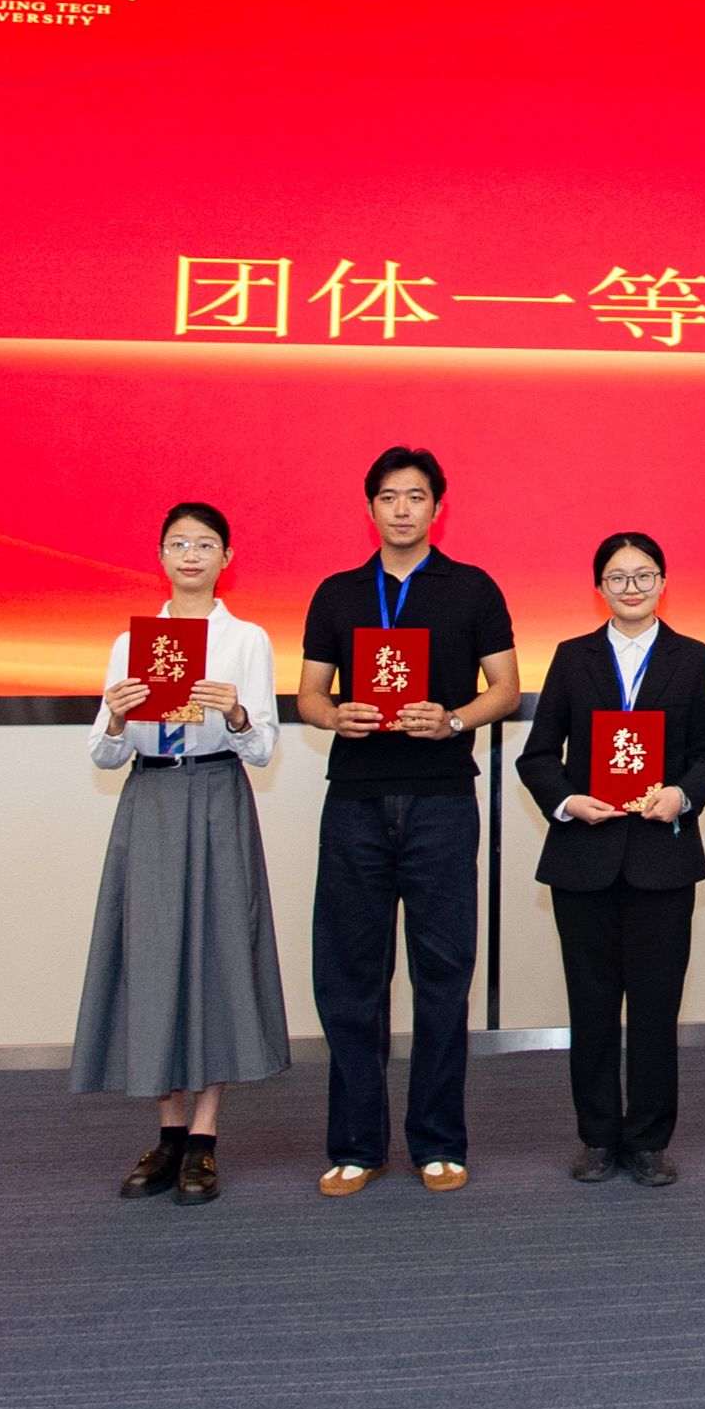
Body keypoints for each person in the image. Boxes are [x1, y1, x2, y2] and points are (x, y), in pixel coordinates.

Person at [296, 446, 520, 1195]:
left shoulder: (473, 588)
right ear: (370, 508)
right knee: (350, 977)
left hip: (442, 801)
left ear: (437, 508)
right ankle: (356, 1144)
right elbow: (309, 695)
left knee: (443, 975)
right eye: (389, 496)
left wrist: (452, 720)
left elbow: (506, 689)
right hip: (356, 801)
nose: (402, 509)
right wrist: (335, 715)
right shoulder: (337, 593)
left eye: (416, 496)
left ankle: (438, 1139)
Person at [74, 502, 291, 1206]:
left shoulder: (246, 640)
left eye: (204, 544)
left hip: (217, 794)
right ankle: (166, 1133)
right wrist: (116, 715)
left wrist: (235, 713)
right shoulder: (130, 642)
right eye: (177, 544)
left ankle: (204, 1135)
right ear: (161, 556)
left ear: (227, 557)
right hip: (151, 798)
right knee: (151, 956)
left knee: (218, 953)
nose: (190, 555)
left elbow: (263, 747)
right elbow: (104, 755)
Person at [513, 532, 705, 1187]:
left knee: (658, 1007)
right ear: (599, 587)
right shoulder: (571, 657)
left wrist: (681, 795)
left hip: (663, 860)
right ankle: (598, 1137)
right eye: (617, 577)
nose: (631, 588)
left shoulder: (692, 657)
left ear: (663, 582)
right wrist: (567, 800)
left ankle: (650, 1140)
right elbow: (537, 755)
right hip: (585, 858)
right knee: (593, 1003)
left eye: (643, 575)